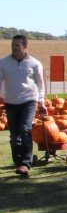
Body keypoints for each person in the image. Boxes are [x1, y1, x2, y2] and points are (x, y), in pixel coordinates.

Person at [0, 35, 47, 177]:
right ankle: (18, 163)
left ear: (25, 46)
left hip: (29, 101)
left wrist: (41, 102)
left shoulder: (34, 64)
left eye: (17, 45)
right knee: (14, 134)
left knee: (25, 128)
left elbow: (40, 85)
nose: (14, 48)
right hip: (11, 102)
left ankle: (25, 163)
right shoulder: (3, 63)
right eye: (13, 45)